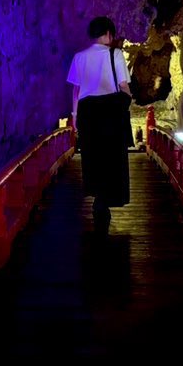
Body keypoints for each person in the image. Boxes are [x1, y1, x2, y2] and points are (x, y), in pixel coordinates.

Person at [67, 16, 133, 233]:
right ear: (107, 33)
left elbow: (76, 91)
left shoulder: (79, 57)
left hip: (87, 112)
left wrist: (75, 117)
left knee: (92, 157)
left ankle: (98, 198)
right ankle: (105, 200)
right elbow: (123, 86)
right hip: (110, 111)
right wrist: (126, 101)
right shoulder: (116, 54)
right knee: (112, 158)